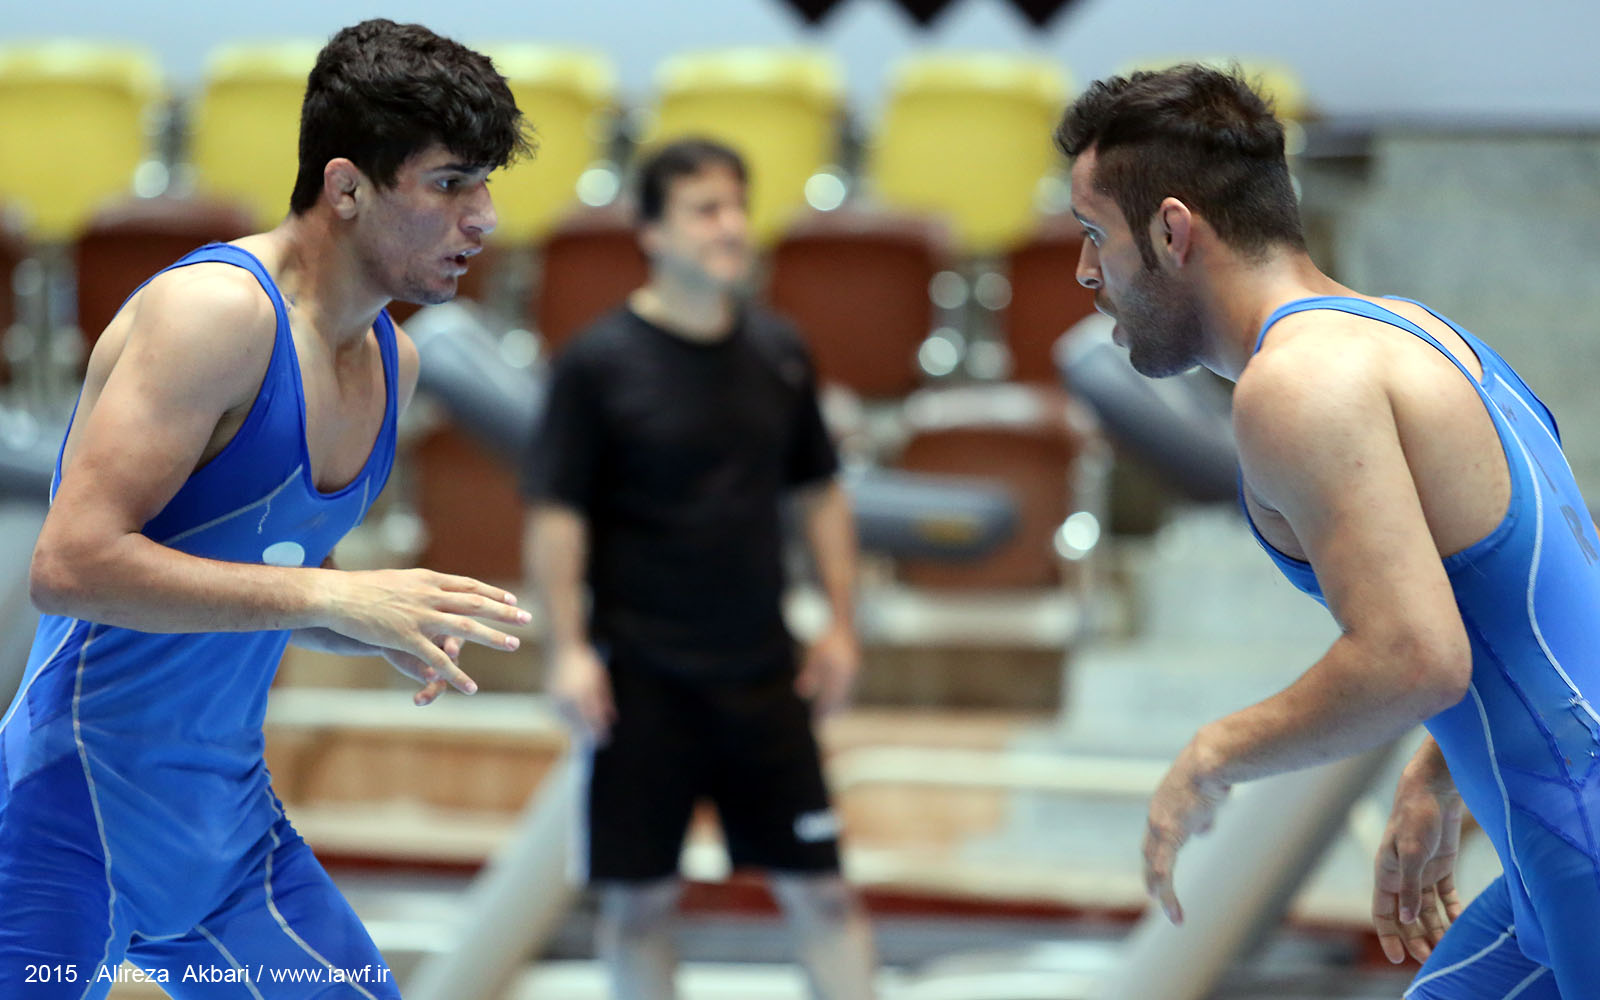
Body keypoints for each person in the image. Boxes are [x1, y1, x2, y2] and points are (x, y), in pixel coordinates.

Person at [0, 19, 533, 998]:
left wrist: (369, 620)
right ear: (347, 187)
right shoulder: (214, 315)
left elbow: (255, 566)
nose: (484, 219)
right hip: (67, 823)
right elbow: (70, 566)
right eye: (451, 184)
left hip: (222, 840)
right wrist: (334, 600)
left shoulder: (393, 363)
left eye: (486, 184)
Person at [1056, 65, 1600, 999]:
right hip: (1562, 824)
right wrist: (1442, 770)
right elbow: (1541, 592)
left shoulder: (1297, 384)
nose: (1084, 271)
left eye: (1095, 233)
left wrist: (1214, 753)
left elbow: (1414, 657)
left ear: (1173, 231)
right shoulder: (1416, 332)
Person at [524, 138, 876, 1000]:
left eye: (738, 207)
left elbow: (819, 494)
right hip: (642, 680)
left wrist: (841, 626)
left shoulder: (779, 351)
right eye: (706, 210)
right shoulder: (597, 363)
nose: (731, 227)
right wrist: (565, 651)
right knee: (639, 903)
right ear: (652, 231)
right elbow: (557, 516)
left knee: (824, 892)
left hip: (762, 674)